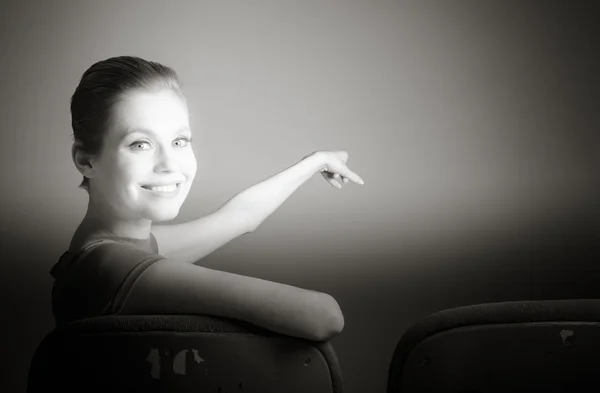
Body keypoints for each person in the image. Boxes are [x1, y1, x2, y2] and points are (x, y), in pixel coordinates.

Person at [50, 56, 365, 342]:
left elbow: (241, 218)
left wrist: (315, 161)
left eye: (179, 141)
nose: (169, 165)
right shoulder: (111, 266)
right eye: (140, 144)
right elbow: (323, 316)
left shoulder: (118, 245)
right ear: (86, 161)